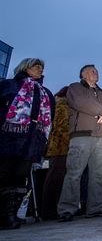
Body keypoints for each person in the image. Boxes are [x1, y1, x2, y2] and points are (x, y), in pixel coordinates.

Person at [0, 58, 55, 229]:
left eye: (41, 67)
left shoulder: (44, 92)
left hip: (33, 139)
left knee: (21, 175)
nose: (40, 69)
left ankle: (12, 212)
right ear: (25, 67)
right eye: (36, 66)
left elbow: (49, 117)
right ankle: (3, 214)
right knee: (5, 173)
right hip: (10, 137)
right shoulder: (10, 85)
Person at [58, 64, 102, 221]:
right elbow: (81, 103)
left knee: (98, 175)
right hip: (81, 136)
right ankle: (67, 209)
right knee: (74, 173)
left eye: (97, 71)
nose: (96, 73)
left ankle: (95, 208)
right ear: (83, 74)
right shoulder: (75, 87)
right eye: (92, 71)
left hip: (101, 137)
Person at [42, 86, 69, 220]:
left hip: (62, 147)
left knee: (59, 178)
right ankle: (49, 210)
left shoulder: (60, 104)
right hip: (60, 147)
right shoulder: (61, 105)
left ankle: (54, 208)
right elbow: (61, 127)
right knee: (55, 178)